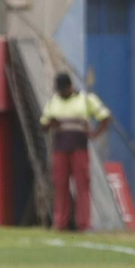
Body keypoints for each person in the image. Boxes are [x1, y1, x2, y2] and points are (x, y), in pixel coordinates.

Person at [40, 71, 111, 232]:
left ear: (71, 87)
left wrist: (94, 134)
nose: (62, 93)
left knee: (82, 185)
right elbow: (43, 124)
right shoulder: (53, 102)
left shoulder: (86, 100)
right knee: (60, 185)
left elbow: (105, 117)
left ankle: (84, 224)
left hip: (79, 148)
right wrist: (51, 123)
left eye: (64, 90)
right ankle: (60, 223)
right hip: (60, 149)